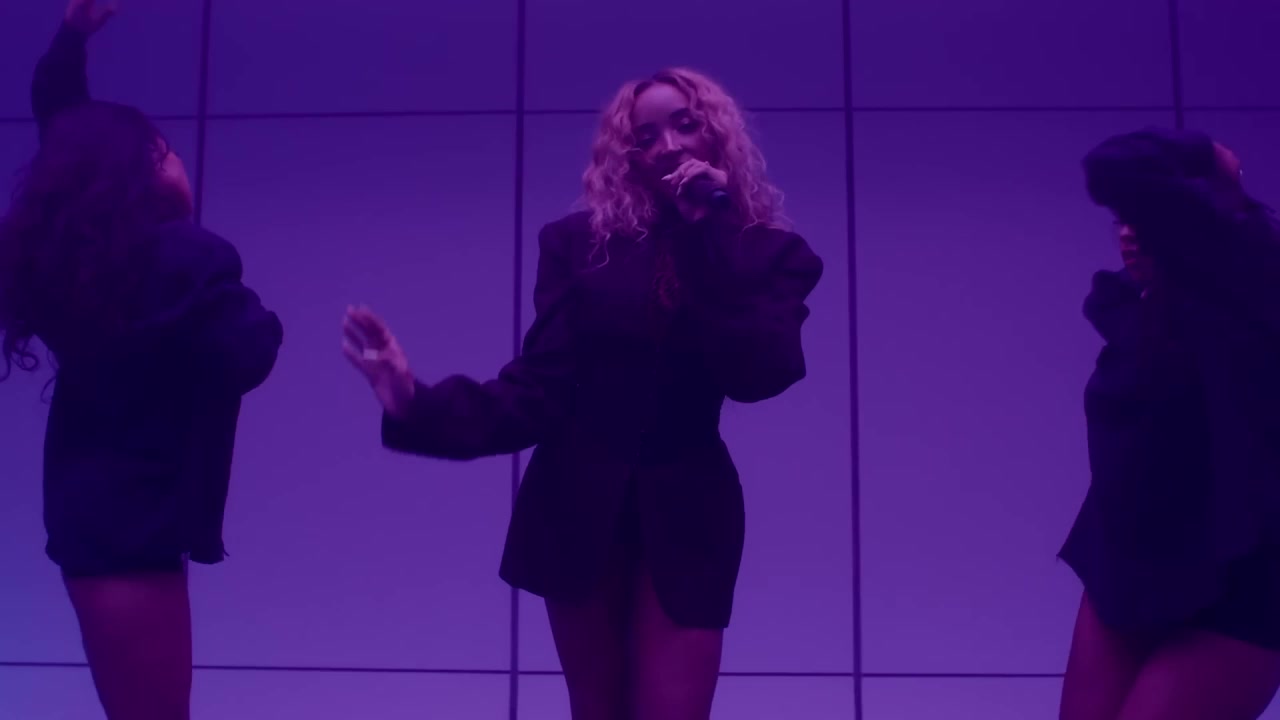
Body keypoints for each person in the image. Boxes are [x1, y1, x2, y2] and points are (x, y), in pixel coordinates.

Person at [344, 68, 823, 720]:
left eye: (685, 124)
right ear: (629, 157)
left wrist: (704, 232)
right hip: (575, 500)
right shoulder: (579, 245)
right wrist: (414, 402)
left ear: (717, 134)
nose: (669, 145)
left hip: (689, 505)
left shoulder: (768, 254)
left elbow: (760, 372)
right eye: (646, 136)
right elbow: (539, 389)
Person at [0, 3, 283, 718]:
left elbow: (65, 128)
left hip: (93, 512)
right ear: (145, 171)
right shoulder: (187, 255)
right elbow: (251, 352)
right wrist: (210, 264)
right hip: (138, 524)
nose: (177, 159)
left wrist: (72, 36)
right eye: (166, 151)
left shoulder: (74, 259)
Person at [1059, 127, 1280, 720]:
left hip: (1239, 572)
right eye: (1121, 221)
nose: (1127, 232)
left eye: (1147, 217)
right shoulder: (1138, 307)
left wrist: (1210, 159)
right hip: (1129, 564)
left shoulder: (1253, 284)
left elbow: (1117, 166)